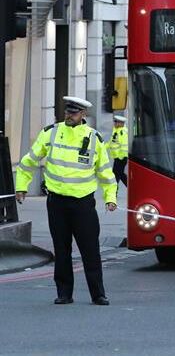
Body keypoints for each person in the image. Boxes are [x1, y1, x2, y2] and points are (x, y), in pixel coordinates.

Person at [15, 96, 118, 306]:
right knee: (61, 249)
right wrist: (21, 186)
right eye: (67, 112)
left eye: (74, 112)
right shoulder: (50, 133)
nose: (69, 115)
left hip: (83, 203)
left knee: (90, 250)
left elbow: (106, 173)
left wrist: (110, 198)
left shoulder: (94, 138)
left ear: (83, 114)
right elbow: (29, 161)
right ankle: (64, 293)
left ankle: (98, 294)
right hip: (57, 202)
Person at [110, 115, 128, 187]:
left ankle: (114, 191)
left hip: (121, 158)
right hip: (117, 157)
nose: (115, 123)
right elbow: (112, 142)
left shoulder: (122, 132)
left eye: (116, 122)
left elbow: (124, 146)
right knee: (120, 174)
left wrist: (120, 157)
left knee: (116, 175)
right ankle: (131, 186)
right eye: (115, 122)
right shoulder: (116, 131)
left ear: (121, 123)